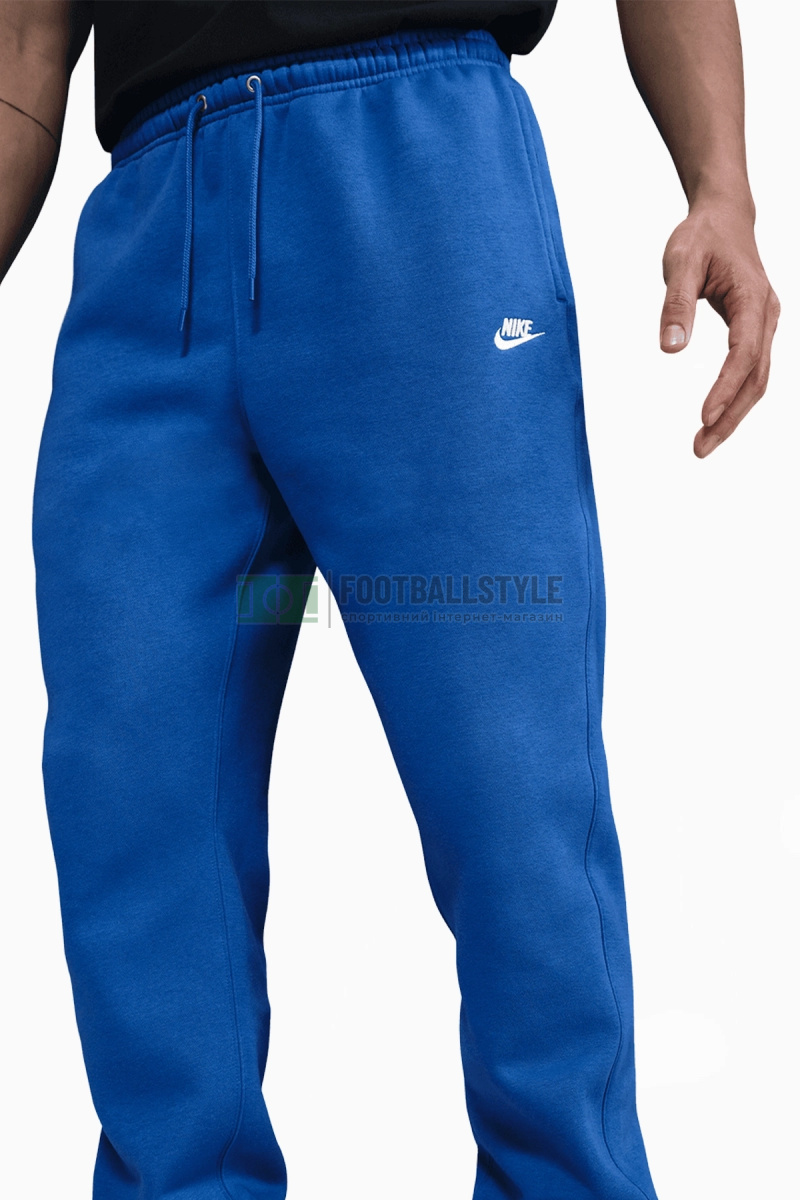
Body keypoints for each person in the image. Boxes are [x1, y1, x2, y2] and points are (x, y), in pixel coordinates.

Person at [0, 2, 779, 1198]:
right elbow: (23, 50)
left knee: (508, 794)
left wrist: (719, 187)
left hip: (416, 173)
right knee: (129, 802)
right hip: (148, 240)